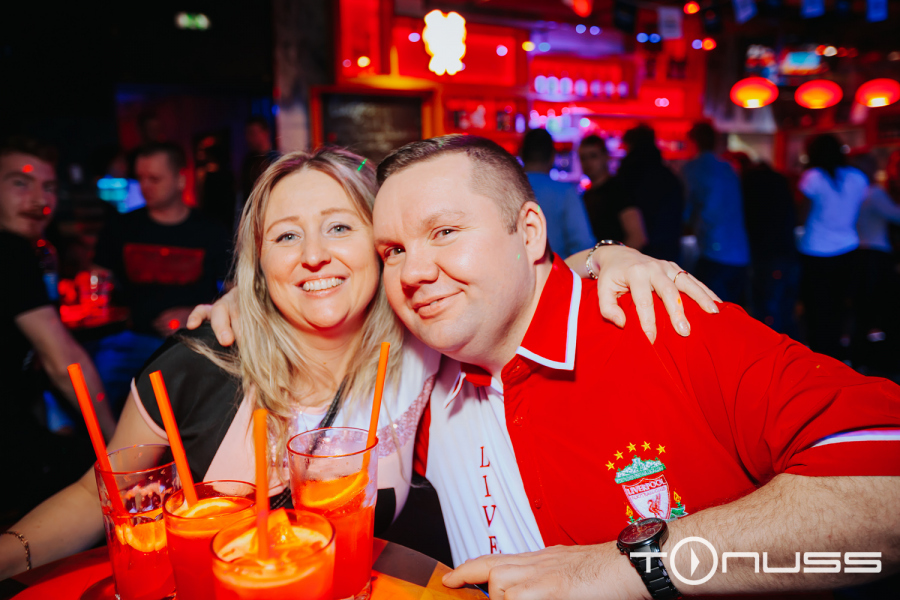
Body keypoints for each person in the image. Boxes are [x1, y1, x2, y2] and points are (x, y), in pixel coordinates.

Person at [0, 145, 718, 579]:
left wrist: (606, 256)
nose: (313, 255)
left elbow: (507, 280)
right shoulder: (197, 367)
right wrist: (10, 553)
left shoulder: (427, 351)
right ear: (258, 262)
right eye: (286, 236)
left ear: (382, 249)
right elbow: (101, 493)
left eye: (340, 226)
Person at [369, 135, 899, 599]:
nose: (412, 272)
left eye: (444, 232)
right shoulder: (421, 385)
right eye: (393, 250)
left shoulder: (663, 322)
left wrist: (636, 567)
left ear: (529, 232)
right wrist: (598, 253)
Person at [0, 137, 114, 519]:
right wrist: (115, 441)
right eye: (20, 183)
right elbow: (61, 359)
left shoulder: (31, 250)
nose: (38, 199)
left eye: (48, 186)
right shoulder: (10, 250)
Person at [92, 142, 231, 414]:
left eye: (154, 179)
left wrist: (196, 313)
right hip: (131, 340)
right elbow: (96, 283)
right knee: (97, 379)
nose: (145, 186)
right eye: (140, 178)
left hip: (193, 339)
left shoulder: (210, 231)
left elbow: (237, 292)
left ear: (180, 180)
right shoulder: (121, 227)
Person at [798, 134, 868, 360]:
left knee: (817, 312)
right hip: (848, 248)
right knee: (840, 309)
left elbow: (801, 215)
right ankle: (839, 359)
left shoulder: (813, 177)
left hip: (815, 250)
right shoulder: (857, 177)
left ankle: (819, 362)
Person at [682, 123, 751, 304]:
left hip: (714, 251)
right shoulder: (729, 168)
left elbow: (687, 209)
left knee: (711, 311)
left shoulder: (693, 168)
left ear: (694, 142)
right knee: (733, 312)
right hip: (740, 253)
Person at [740, 158, 800, 336]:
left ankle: (774, 353)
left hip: (768, 257)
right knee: (785, 314)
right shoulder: (779, 183)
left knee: (769, 314)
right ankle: (791, 352)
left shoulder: (752, 186)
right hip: (789, 255)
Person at [852, 151, 900, 367]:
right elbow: (897, 215)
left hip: (859, 252)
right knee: (883, 307)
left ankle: (860, 358)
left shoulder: (855, 191)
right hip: (876, 254)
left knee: (864, 309)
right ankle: (882, 360)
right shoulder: (874, 192)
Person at [613, 124, 683, 263]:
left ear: (631, 145)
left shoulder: (629, 175)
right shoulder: (668, 175)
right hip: (669, 250)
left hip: (640, 253)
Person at [521, 128, 595, 258]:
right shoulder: (566, 192)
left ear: (521, 154)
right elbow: (583, 244)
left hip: (512, 269)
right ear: (553, 157)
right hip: (556, 268)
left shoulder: (506, 189)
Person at [579, 135, 647, 250]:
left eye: (593, 156)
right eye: (583, 158)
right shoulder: (586, 195)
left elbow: (637, 237)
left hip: (614, 258)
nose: (588, 162)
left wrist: (616, 258)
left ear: (606, 157)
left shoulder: (618, 190)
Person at [241, 116, 280, 204]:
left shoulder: (275, 160)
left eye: (252, 133)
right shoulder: (248, 161)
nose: (249, 138)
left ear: (265, 133)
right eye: (247, 133)